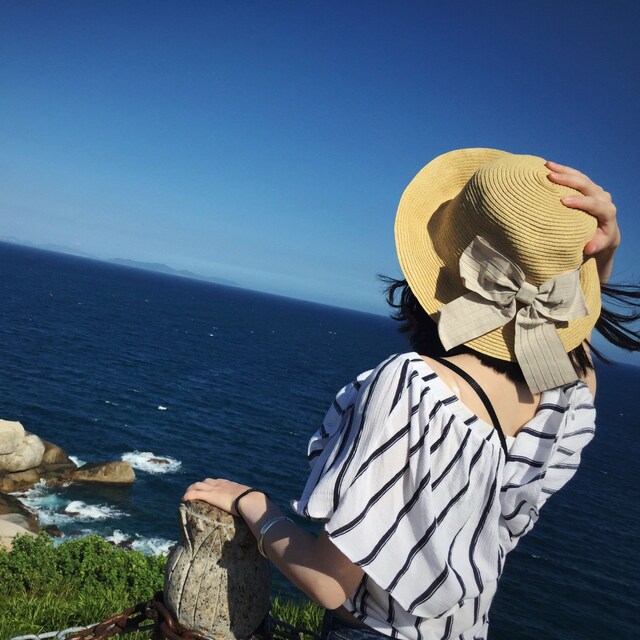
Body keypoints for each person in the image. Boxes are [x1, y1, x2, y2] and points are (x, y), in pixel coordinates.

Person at [183, 149, 638, 639]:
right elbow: (574, 332)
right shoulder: (570, 391)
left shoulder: (413, 388)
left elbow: (329, 583)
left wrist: (253, 503)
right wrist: (598, 254)